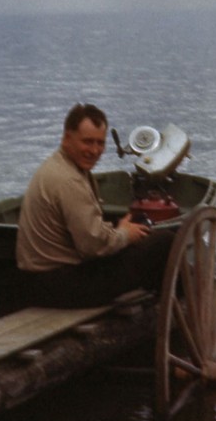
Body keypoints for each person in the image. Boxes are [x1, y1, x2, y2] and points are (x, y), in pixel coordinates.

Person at [15, 103, 175, 308]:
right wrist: (126, 234)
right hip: (60, 286)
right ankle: (172, 310)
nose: (94, 150)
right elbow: (93, 247)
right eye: (87, 142)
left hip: (40, 280)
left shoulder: (57, 166)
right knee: (163, 242)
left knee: (134, 239)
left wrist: (119, 229)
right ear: (67, 138)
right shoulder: (69, 181)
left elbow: (86, 233)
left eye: (100, 143)